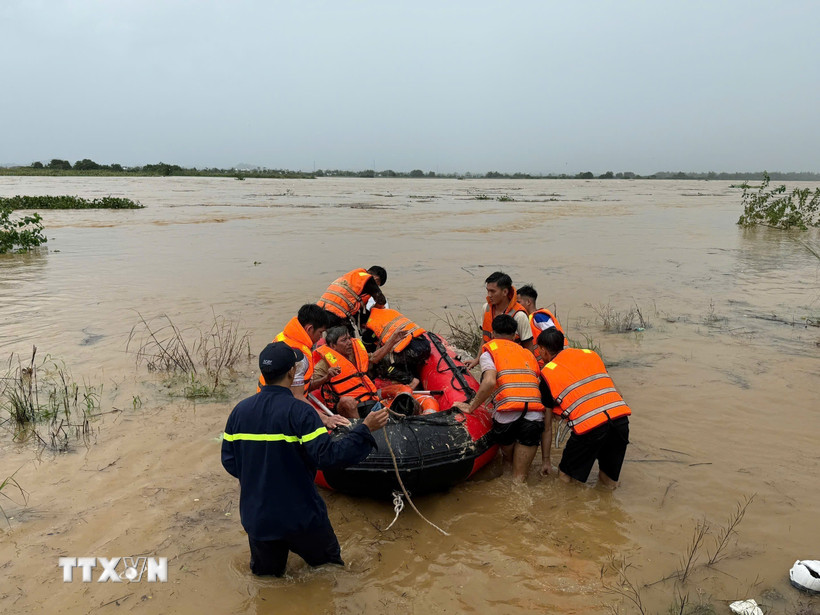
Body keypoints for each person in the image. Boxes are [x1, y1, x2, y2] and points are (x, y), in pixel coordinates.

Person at [223, 341, 389, 577]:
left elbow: (230, 461)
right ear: (292, 372)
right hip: (300, 516)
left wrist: (261, 476)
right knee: (330, 570)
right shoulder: (301, 412)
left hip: (258, 518)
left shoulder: (240, 411)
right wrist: (364, 430)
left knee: (268, 580)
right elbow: (328, 457)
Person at [453, 314, 545, 483]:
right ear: (515, 335)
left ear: (493, 333)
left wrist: (471, 406)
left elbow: (489, 382)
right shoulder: (528, 354)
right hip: (534, 414)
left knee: (507, 464)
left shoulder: (490, 351)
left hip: (507, 414)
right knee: (520, 478)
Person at [537, 327, 631, 489]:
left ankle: (566, 511)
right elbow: (618, 393)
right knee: (608, 482)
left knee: (565, 477)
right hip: (620, 421)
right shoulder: (590, 355)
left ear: (544, 351)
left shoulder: (547, 375)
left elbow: (546, 427)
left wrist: (546, 460)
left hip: (590, 427)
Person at [258, 304, 348, 429]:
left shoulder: (284, 336)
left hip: (264, 401)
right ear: (309, 328)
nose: (320, 338)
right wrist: (326, 419)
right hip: (280, 410)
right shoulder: (299, 356)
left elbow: (299, 388)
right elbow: (296, 396)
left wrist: (326, 377)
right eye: (320, 332)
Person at [312, 325, 409, 418]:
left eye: (349, 338)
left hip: (369, 402)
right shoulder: (324, 364)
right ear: (333, 346)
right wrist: (326, 377)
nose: (349, 342)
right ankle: (361, 429)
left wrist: (393, 340)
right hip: (345, 408)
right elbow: (308, 386)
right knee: (347, 401)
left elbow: (374, 357)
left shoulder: (354, 354)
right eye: (344, 340)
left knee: (405, 405)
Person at [363, 306, 429, 388]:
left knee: (382, 363)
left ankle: (411, 381)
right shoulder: (387, 313)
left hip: (412, 352)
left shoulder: (368, 332)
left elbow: (371, 358)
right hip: (424, 343)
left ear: (363, 325)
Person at [317, 266, 387, 328]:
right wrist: (374, 310)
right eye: (377, 285)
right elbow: (381, 300)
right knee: (349, 338)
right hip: (336, 314)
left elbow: (356, 306)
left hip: (319, 310)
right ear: (377, 279)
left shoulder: (352, 275)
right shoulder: (368, 279)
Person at [517, 284, 568, 365]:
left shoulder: (539, 317)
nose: (516, 305)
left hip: (552, 361)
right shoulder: (530, 318)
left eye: (518, 302)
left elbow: (553, 337)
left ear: (528, 302)